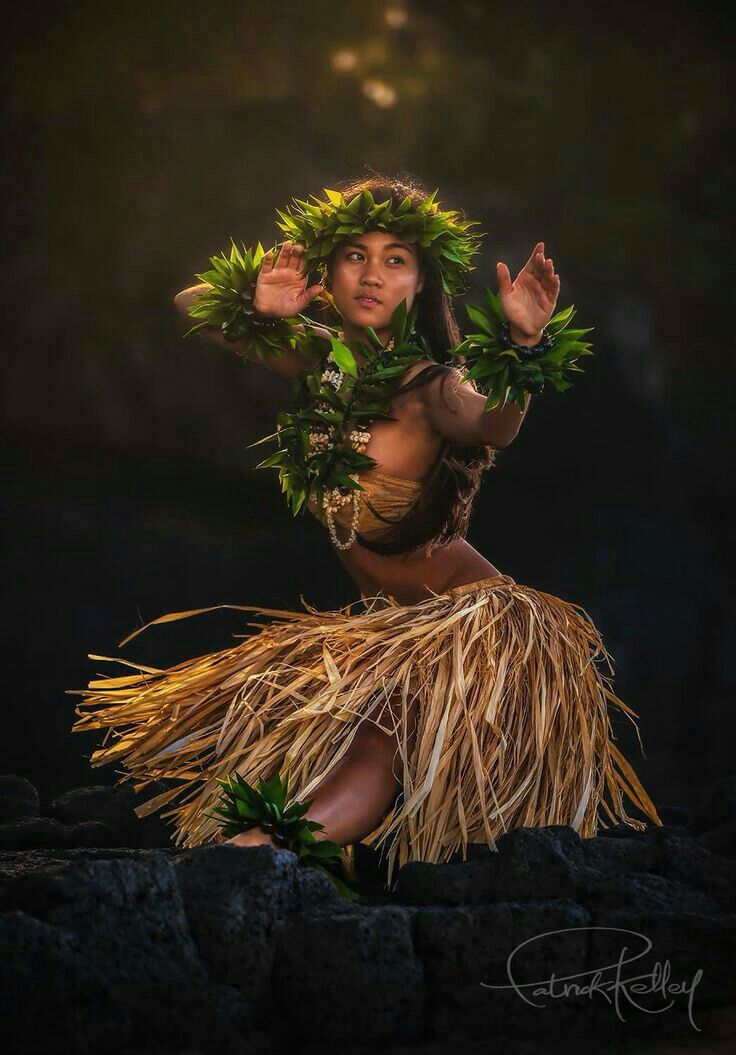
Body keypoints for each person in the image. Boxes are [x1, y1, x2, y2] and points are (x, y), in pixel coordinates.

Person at [70, 174, 662, 891]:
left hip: (477, 627)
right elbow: (190, 304)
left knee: (385, 725)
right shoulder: (321, 364)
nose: (372, 274)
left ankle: (271, 846)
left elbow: (493, 420)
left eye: (395, 259)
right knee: (290, 710)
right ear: (329, 270)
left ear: (420, 282)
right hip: (391, 631)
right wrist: (260, 305)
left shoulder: (430, 389)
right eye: (354, 254)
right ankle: (296, 836)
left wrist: (522, 342)